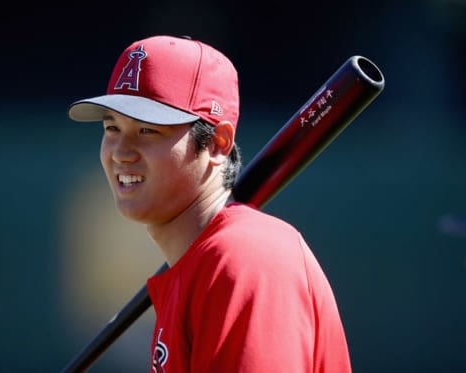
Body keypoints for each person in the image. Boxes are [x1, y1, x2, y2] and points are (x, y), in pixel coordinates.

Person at [68, 35, 351, 372]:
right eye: (112, 127)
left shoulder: (245, 258)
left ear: (218, 143)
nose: (120, 152)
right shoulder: (197, 267)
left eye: (147, 131)